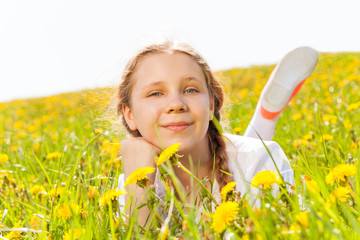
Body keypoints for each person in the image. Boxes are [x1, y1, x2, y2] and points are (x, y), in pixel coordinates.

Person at [116, 40, 318, 225]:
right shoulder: (130, 183)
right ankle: (262, 120)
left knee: (247, 163)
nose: (176, 105)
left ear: (211, 104)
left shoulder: (262, 159)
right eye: (156, 93)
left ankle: (265, 118)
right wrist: (138, 193)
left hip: (250, 160)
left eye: (191, 90)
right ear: (129, 114)